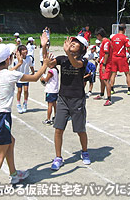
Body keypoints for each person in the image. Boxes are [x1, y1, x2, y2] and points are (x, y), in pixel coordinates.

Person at [0, 44, 51, 198]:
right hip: (1, 117)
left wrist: (18, 63)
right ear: (8, 58)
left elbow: (8, 72)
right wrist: (45, 64)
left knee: (10, 141)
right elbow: (35, 78)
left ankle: (14, 174)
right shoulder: (11, 75)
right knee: (0, 154)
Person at [41, 34, 91, 170]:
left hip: (77, 99)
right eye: (72, 42)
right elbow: (48, 63)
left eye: (76, 43)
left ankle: (84, 151)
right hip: (63, 98)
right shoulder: (62, 59)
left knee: (80, 129)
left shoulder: (83, 61)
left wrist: (68, 52)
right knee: (58, 129)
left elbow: (75, 64)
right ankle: (58, 157)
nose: (72, 43)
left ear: (82, 49)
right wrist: (44, 46)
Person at [110, 24, 130, 95]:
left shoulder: (113, 37)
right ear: (124, 29)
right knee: (127, 73)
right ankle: (129, 90)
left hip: (114, 57)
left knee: (113, 73)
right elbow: (128, 48)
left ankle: (111, 89)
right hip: (122, 57)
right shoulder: (125, 38)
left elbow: (111, 48)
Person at [94, 28, 113, 106]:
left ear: (99, 35)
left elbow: (106, 53)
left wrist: (104, 65)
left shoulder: (106, 42)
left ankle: (109, 99)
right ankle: (101, 94)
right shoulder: (105, 42)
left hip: (106, 64)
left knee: (106, 80)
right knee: (102, 79)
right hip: (102, 62)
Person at [13, 45, 34, 113]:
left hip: (26, 76)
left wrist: (33, 72)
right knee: (19, 90)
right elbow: (14, 68)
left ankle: (25, 103)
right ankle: (18, 104)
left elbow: (31, 66)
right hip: (19, 77)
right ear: (19, 52)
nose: (25, 51)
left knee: (26, 90)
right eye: (23, 50)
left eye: (26, 49)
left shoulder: (29, 58)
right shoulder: (16, 60)